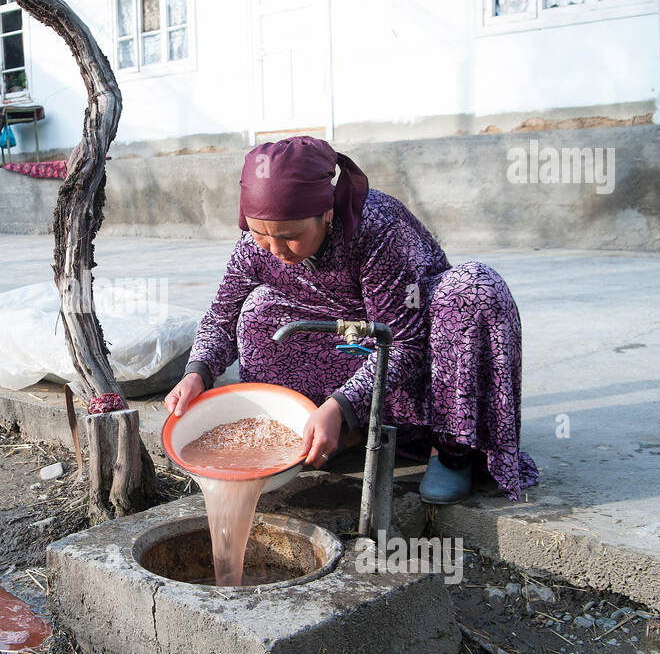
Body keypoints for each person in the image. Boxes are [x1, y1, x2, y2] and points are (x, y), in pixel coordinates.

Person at [164, 136, 539, 504]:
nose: (276, 250)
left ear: (326, 214)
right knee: (259, 312)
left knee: (472, 289)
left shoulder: (378, 230)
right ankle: (334, 428)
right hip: (349, 335)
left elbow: (404, 343)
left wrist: (341, 403)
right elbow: (221, 317)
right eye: (260, 233)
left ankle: (450, 450)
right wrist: (197, 371)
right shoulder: (255, 245)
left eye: (291, 236)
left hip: (417, 340)